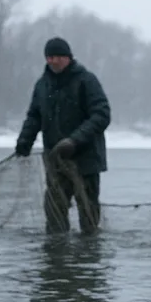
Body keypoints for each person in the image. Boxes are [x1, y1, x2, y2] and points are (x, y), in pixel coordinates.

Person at [15, 37, 111, 235]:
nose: (53, 61)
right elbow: (34, 116)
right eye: (49, 57)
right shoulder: (42, 85)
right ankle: (56, 254)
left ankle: (88, 256)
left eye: (58, 56)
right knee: (54, 211)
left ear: (68, 57)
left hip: (86, 158)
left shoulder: (86, 80)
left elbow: (101, 115)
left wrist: (74, 140)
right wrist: (25, 139)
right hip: (55, 159)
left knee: (88, 212)